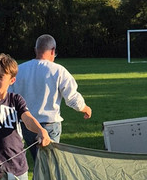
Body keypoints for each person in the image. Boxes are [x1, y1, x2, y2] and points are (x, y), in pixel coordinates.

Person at [11, 34, 92, 162]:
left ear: (35, 50)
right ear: (53, 51)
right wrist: (85, 108)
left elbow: (10, 97)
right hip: (49, 126)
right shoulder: (58, 70)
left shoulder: (20, 70)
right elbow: (72, 98)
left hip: (27, 125)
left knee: (40, 165)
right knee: (49, 168)